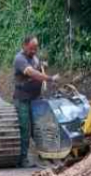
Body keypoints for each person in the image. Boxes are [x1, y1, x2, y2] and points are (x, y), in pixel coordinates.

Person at [12, 34, 58, 166]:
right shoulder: (19, 59)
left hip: (36, 99)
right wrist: (49, 78)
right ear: (24, 46)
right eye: (31, 48)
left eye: (36, 48)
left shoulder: (35, 58)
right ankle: (22, 159)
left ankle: (45, 155)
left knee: (40, 127)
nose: (34, 51)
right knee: (25, 128)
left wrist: (42, 65)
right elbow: (31, 73)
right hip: (23, 100)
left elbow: (37, 68)